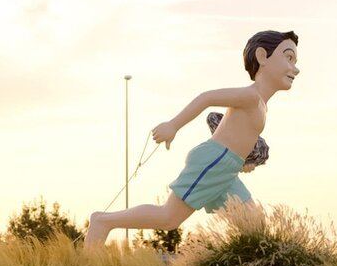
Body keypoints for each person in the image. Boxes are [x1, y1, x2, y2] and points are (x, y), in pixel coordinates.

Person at [84, 30, 299, 247]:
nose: (295, 68)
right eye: (289, 58)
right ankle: (103, 221)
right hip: (214, 161)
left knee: (255, 225)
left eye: (295, 61)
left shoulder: (262, 104)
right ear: (263, 57)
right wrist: (173, 126)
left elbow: (232, 131)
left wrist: (245, 161)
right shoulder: (250, 96)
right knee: (168, 218)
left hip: (228, 168)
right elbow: (207, 98)